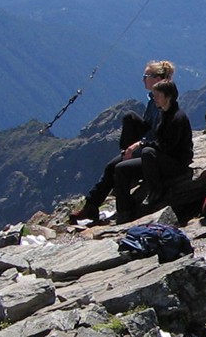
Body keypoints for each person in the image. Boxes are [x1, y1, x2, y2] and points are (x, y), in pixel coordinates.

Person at [77, 60, 175, 222]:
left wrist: (138, 144)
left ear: (157, 79)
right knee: (129, 119)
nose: (143, 79)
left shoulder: (162, 101)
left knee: (115, 167)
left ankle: (107, 209)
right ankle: (91, 206)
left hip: (153, 150)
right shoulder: (154, 98)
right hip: (147, 145)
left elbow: (157, 133)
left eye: (146, 76)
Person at [110, 78, 193, 223]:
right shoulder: (164, 113)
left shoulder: (177, 118)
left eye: (157, 96)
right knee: (120, 169)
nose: (154, 98)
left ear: (168, 96)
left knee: (148, 152)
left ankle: (156, 192)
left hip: (176, 163)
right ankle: (124, 210)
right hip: (159, 161)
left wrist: (141, 144)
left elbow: (166, 146)